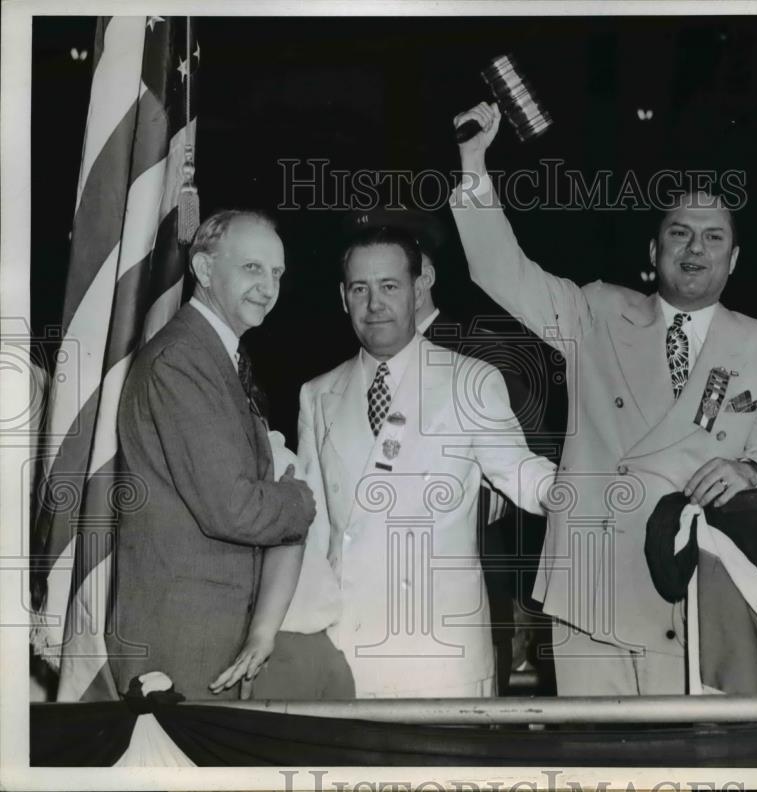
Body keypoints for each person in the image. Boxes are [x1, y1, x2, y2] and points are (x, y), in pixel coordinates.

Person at [449, 102, 757, 696]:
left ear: (733, 259)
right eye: (679, 233)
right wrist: (475, 163)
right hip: (592, 588)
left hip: (694, 592)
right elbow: (501, 271)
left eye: (713, 237)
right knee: (596, 770)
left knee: (683, 772)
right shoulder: (596, 310)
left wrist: (747, 469)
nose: (695, 248)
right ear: (653, 250)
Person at [295, 220, 556, 697]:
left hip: (439, 655)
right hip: (345, 648)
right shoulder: (317, 394)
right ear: (342, 296)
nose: (374, 305)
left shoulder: (469, 380)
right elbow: (311, 530)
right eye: (360, 289)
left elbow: (521, 471)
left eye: (389, 286)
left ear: (418, 291)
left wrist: (579, 492)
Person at [107, 210, 317, 700]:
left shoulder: (217, 357)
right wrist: (301, 500)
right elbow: (235, 510)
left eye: (277, 273)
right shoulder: (183, 360)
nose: (268, 286)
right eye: (252, 268)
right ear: (203, 271)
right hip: (180, 644)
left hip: (210, 640)